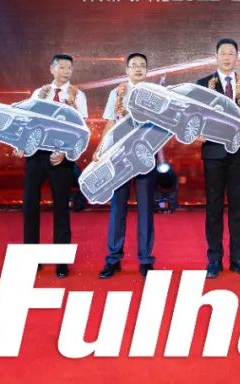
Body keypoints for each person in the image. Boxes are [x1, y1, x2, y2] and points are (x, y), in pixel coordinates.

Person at [17, 53, 88, 278]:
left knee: (61, 208)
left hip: (61, 156)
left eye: (69, 68)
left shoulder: (77, 95)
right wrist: (21, 144)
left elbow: (81, 129)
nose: (66, 71)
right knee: (30, 206)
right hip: (36, 154)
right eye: (62, 67)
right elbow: (27, 122)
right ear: (52, 69)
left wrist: (66, 153)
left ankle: (61, 261)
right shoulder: (39, 93)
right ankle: (31, 259)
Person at [195, 38, 240, 278]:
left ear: (237, 57)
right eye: (223, 53)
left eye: (231, 53)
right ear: (216, 56)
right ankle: (214, 258)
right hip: (214, 150)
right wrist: (198, 130)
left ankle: (238, 257)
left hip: (239, 151)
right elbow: (195, 113)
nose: (227, 57)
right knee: (214, 206)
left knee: (238, 207)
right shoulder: (204, 84)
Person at [96, 52, 157, 278]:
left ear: (147, 70)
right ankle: (113, 259)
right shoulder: (117, 93)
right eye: (134, 65)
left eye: (142, 65)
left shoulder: (155, 93)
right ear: (127, 70)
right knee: (117, 209)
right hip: (119, 157)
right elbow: (110, 123)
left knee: (145, 209)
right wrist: (100, 150)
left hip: (144, 156)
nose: (138, 69)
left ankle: (146, 259)